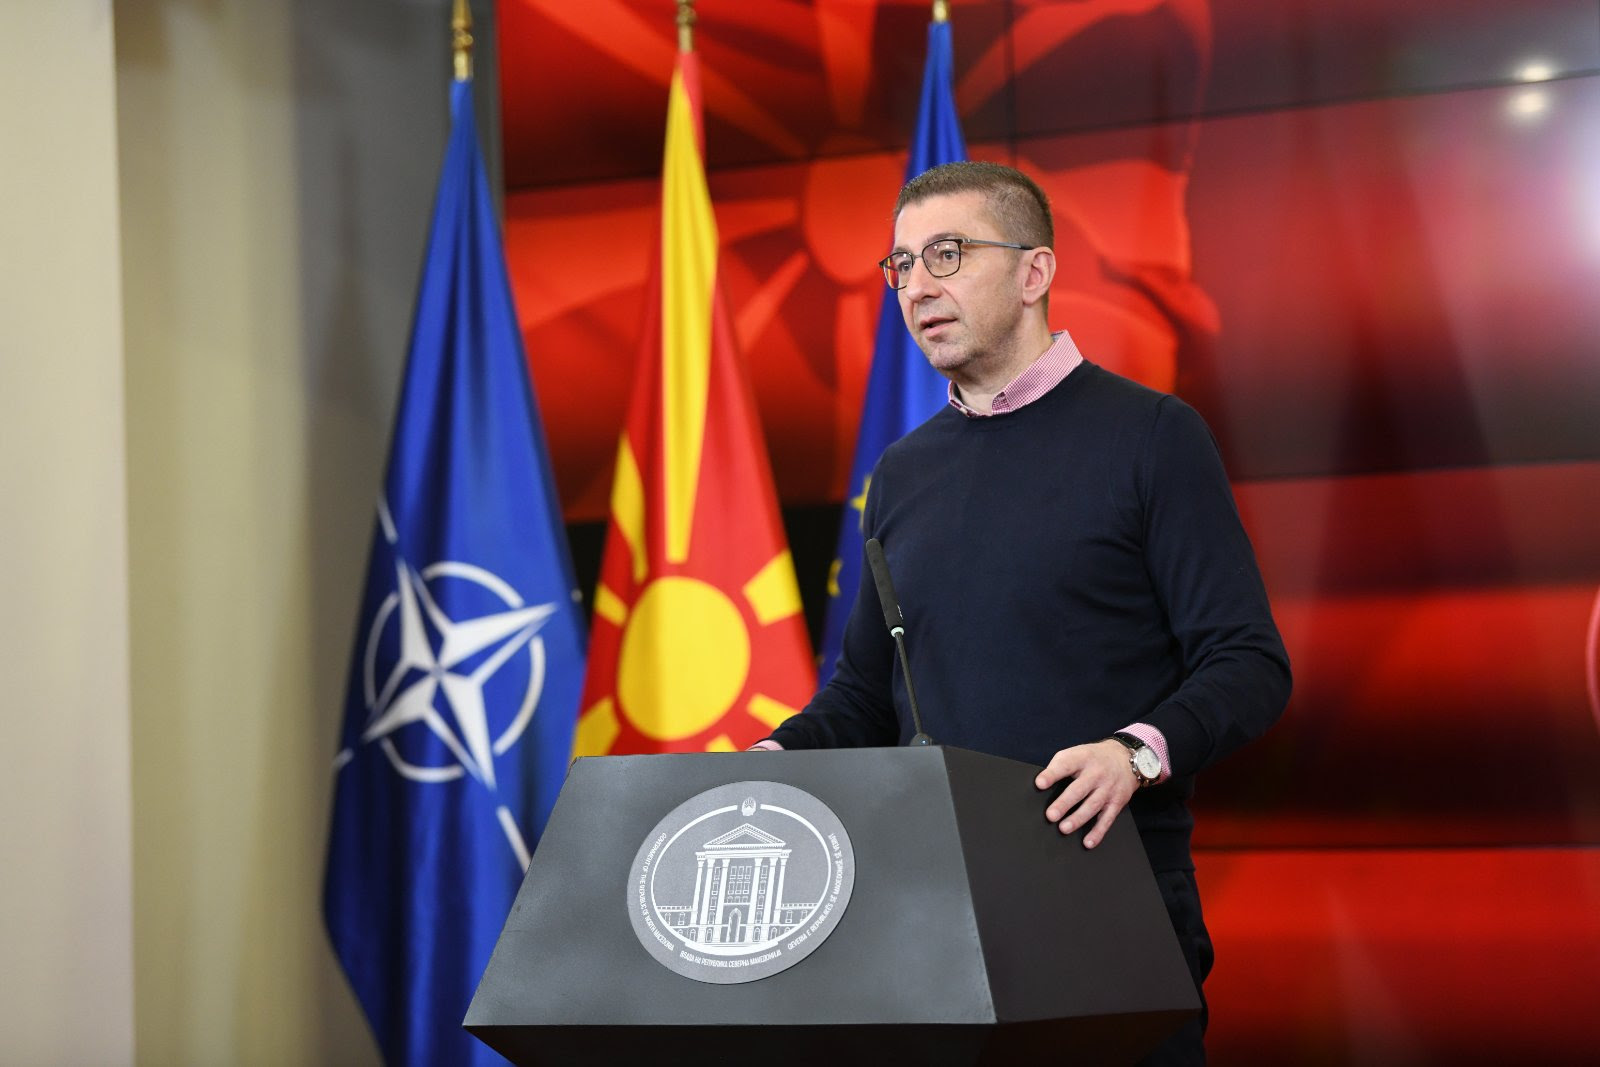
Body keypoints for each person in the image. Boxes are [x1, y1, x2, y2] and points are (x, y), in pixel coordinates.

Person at [757, 160, 1291, 1065]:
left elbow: (1247, 661)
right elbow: (867, 693)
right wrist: (767, 764)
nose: (916, 286)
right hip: (930, 917)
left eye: (947, 254)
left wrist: (1134, 753)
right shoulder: (901, 473)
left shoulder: (1152, 436)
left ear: (1034, 271)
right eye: (901, 265)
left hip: (1106, 896)